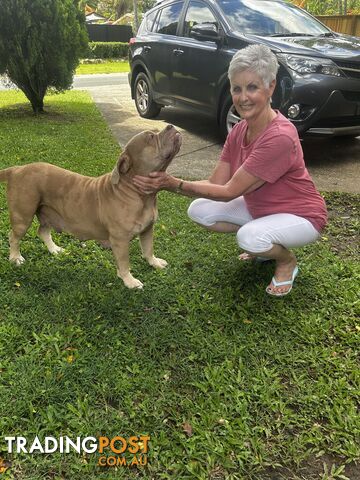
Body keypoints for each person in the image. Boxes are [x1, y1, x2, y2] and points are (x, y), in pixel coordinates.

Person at [133, 44, 328, 297]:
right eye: (237, 88)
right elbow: (217, 182)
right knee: (200, 209)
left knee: (249, 238)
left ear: (271, 87)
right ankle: (265, 243)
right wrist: (172, 183)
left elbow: (228, 192)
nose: (243, 97)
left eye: (252, 87)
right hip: (262, 209)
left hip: (302, 216)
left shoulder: (279, 137)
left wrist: (172, 183)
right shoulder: (239, 130)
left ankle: (285, 260)